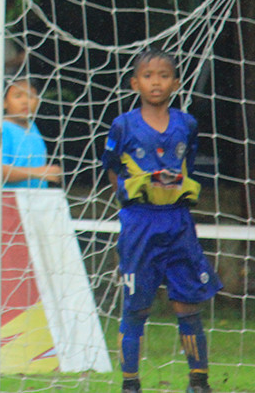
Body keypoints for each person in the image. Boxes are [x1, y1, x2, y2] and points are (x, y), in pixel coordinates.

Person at [101, 49, 221, 393]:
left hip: (177, 222)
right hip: (140, 223)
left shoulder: (186, 124)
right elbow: (112, 167)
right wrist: (130, 201)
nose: (156, 82)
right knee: (137, 305)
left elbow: (189, 165)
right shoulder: (124, 125)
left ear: (176, 83)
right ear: (135, 83)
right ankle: (130, 383)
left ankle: (199, 381)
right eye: (149, 76)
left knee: (187, 303)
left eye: (164, 75)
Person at [1, 78, 62, 188]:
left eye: (30, 97)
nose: (25, 101)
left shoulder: (32, 127)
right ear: (4, 102)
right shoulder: (3, 129)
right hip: (10, 197)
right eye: (18, 96)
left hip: (37, 196)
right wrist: (38, 172)